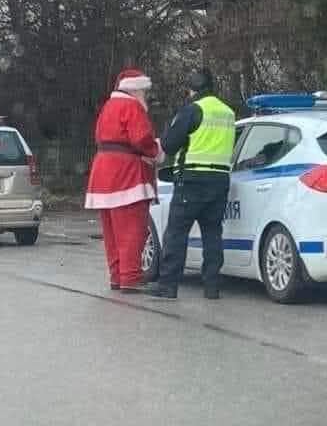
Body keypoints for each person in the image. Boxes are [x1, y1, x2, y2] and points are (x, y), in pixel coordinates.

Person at [148, 68, 236, 300]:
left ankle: (167, 285)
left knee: (176, 233)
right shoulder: (228, 112)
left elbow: (169, 144)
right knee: (212, 233)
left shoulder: (193, 110)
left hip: (192, 181)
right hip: (220, 181)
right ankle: (212, 287)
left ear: (192, 89)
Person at [85, 68, 162, 292]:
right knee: (131, 229)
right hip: (127, 174)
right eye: (144, 92)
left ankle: (117, 276)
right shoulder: (132, 106)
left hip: (103, 172)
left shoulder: (108, 107)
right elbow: (141, 138)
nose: (145, 97)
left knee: (111, 232)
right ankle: (131, 278)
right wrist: (155, 150)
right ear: (136, 90)